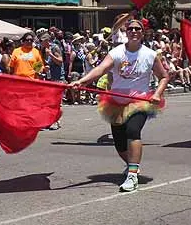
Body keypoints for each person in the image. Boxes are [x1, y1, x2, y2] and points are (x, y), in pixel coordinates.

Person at [70, 17, 169, 192]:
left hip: (139, 102)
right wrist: (82, 81)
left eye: (137, 29)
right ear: (126, 32)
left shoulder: (150, 54)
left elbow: (164, 76)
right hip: (116, 102)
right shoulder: (116, 52)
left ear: (143, 33)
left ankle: (132, 175)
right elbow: (100, 69)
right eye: (130, 29)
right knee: (120, 144)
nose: (134, 31)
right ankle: (132, 164)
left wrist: (157, 94)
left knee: (133, 131)